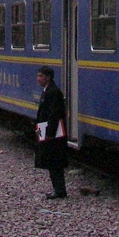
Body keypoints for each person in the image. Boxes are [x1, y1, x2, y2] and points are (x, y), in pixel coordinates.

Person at [34, 66, 69, 200]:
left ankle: (59, 190)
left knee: (54, 162)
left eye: (41, 76)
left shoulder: (53, 92)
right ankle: (58, 189)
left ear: (48, 77)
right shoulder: (48, 90)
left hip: (53, 134)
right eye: (38, 76)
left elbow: (54, 115)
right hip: (47, 130)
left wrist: (49, 133)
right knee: (52, 162)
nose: (38, 79)